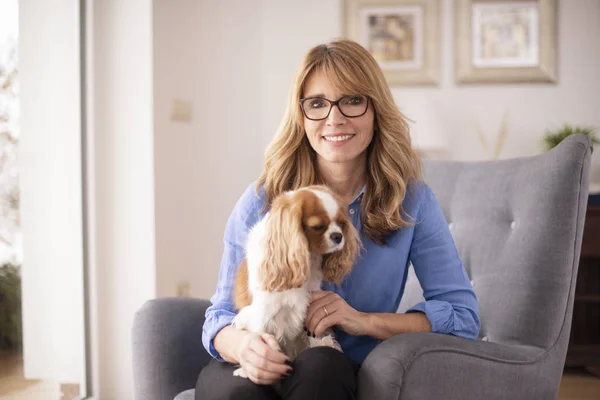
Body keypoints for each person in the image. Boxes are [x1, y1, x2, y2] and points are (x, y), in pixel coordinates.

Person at [196, 39, 480, 400]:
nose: (335, 118)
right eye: (317, 103)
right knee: (233, 391)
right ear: (301, 116)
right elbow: (219, 315)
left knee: (320, 368)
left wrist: (364, 321)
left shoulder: (410, 202)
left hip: (337, 369)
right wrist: (242, 347)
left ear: (375, 110)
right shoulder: (263, 199)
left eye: (353, 100)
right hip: (256, 353)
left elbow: (463, 316)